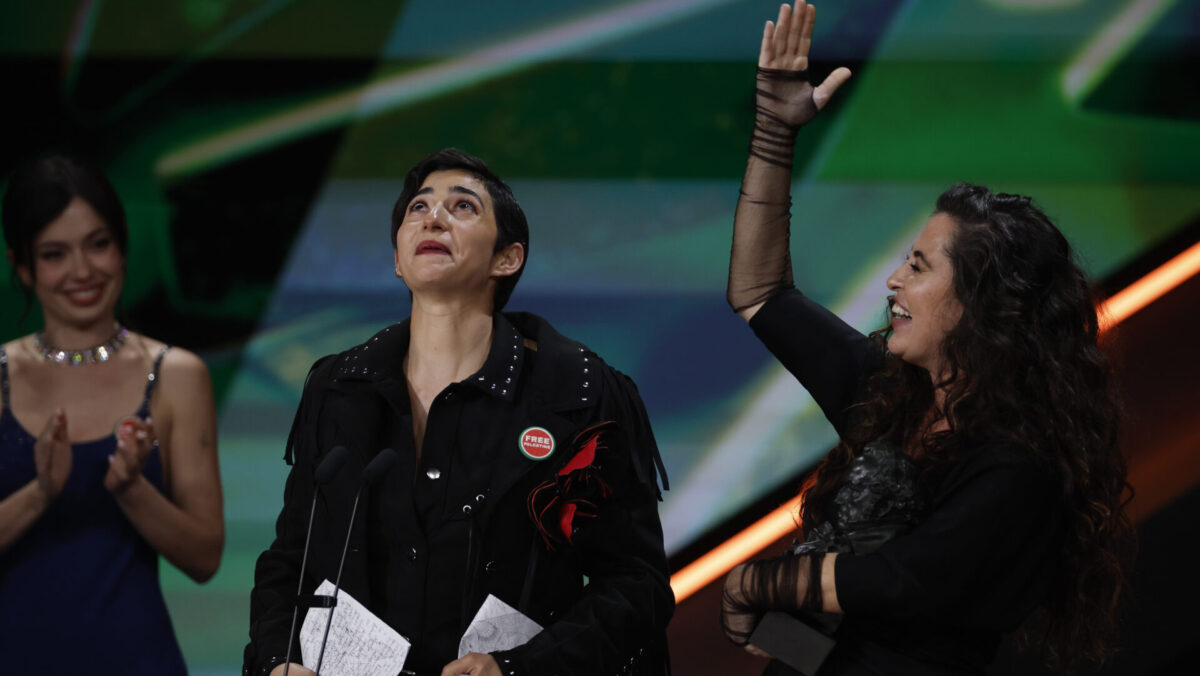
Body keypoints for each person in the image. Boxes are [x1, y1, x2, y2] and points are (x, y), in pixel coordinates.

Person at [719, 3, 1134, 674]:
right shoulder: (891, 392)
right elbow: (761, 294)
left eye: (917, 266)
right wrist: (774, 131)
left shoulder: (1017, 465)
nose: (891, 281)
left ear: (979, 305)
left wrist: (756, 583)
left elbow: (902, 580)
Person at [244, 148, 673, 676]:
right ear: (398, 259)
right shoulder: (339, 389)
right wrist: (277, 661)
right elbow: (290, 563)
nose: (433, 217)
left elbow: (636, 586)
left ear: (507, 258)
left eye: (463, 207)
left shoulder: (578, 393)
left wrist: (518, 667)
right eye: (418, 209)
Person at [0, 155, 224, 674]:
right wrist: (39, 495)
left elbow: (205, 557)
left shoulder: (177, 374)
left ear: (123, 247)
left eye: (98, 244)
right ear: (22, 266)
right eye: (55, 254)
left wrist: (131, 489)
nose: (83, 271)